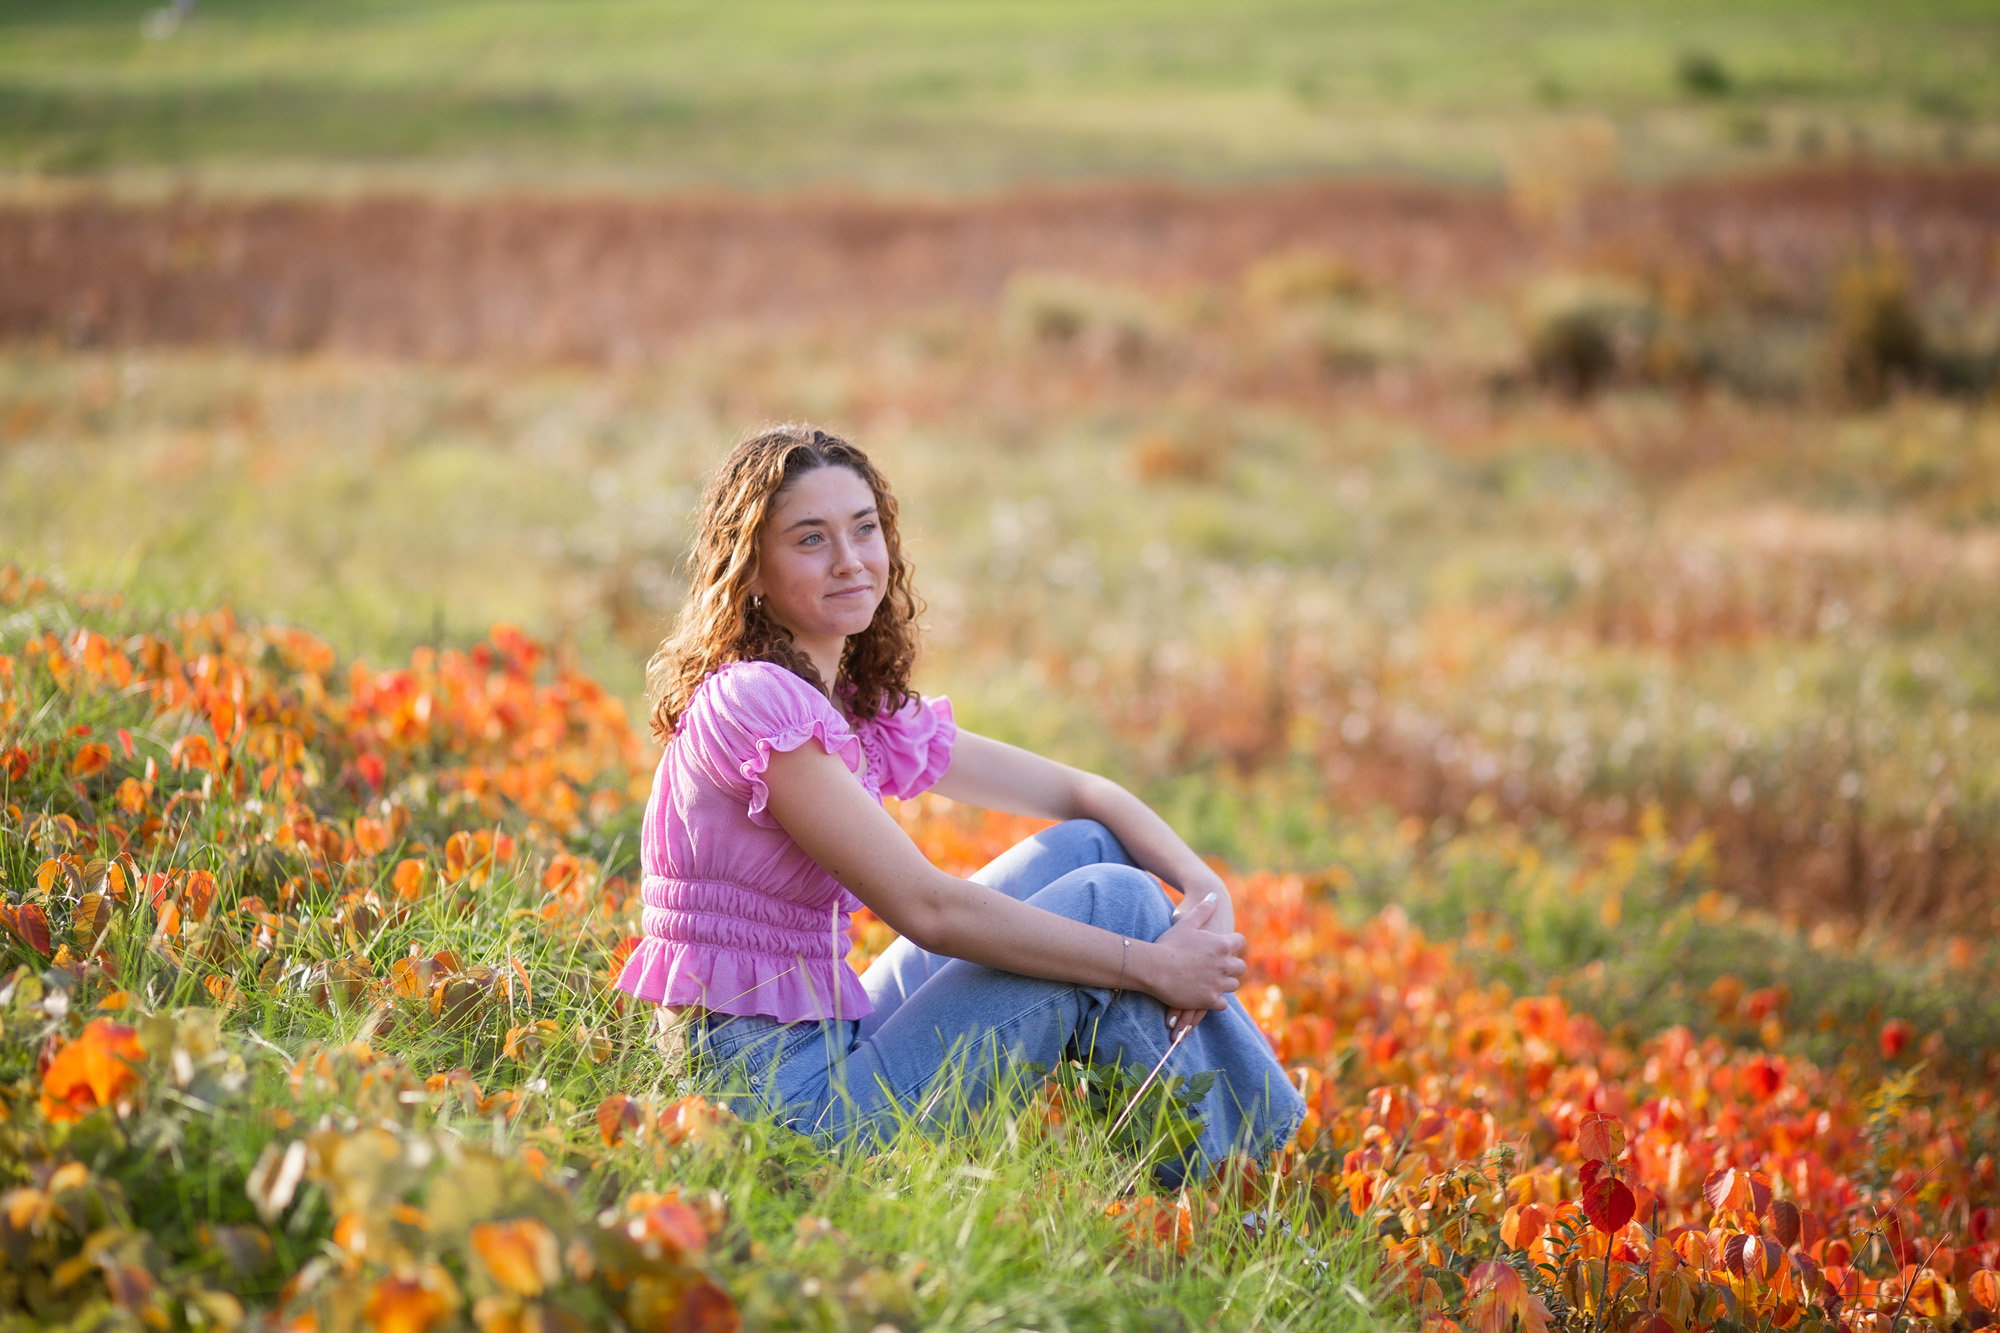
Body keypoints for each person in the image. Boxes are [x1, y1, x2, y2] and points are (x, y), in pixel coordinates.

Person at [616, 424, 1304, 1183]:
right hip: (775, 1108)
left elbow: (1084, 793)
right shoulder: (757, 702)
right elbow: (927, 908)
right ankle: (1250, 1188)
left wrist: (1208, 884)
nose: (851, 561)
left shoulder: (846, 705)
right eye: (811, 539)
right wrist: (1151, 968)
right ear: (753, 569)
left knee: (1090, 850)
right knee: (1117, 903)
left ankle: (1238, 1170)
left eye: (865, 528)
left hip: (824, 1038)